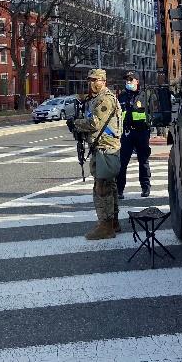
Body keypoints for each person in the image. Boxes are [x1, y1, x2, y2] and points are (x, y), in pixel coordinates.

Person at [69, 69, 122, 240]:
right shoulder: (97, 99)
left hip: (106, 148)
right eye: (90, 80)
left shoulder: (105, 98)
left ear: (103, 81)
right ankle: (113, 222)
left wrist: (76, 124)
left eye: (95, 80)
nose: (92, 83)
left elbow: (95, 123)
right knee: (110, 185)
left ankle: (106, 226)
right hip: (102, 147)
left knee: (102, 187)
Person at [117, 71, 151, 199]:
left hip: (142, 132)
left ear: (137, 81)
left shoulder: (144, 96)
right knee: (122, 162)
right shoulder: (122, 97)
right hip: (127, 133)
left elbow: (152, 112)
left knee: (143, 161)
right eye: (127, 80)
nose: (128, 82)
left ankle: (145, 187)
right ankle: (119, 190)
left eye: (131, 80)